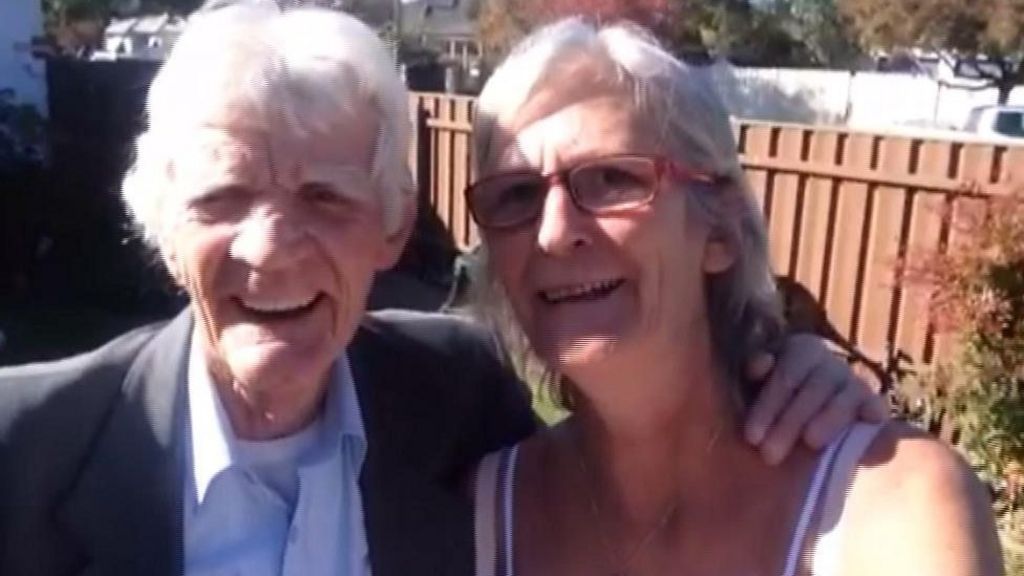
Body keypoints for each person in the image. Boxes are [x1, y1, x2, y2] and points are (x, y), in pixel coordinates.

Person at [0, 6, 884, 576]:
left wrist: (780, 364)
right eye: (222, 199)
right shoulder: (24, 451)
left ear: (392, 225)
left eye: (325, 197)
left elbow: (642, 452)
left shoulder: (455, 399)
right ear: (163, 225)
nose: (270, 249)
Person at [467, 18, 1003, 576]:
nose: (554, 232)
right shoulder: (476, 511)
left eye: (612, 180)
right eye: (518, 194)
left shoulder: (891, 506)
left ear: (719, 227)